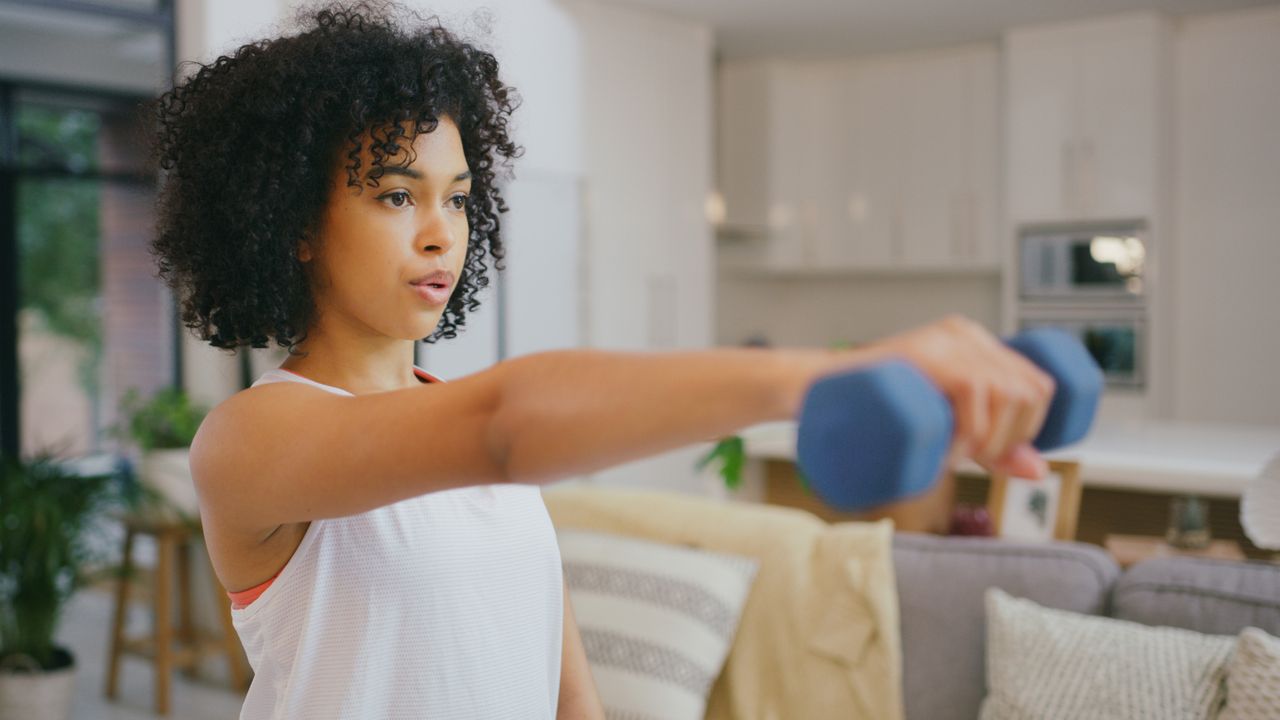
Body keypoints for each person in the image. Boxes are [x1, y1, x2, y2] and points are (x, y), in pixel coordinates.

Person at [150, 3, 1056, 718]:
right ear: (296, 225)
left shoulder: (475, 458)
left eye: (459, 200)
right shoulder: (251, 439)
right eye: (397, 195)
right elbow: (505, 426)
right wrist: (820, 376)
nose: (441, 234)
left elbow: (565, 683)